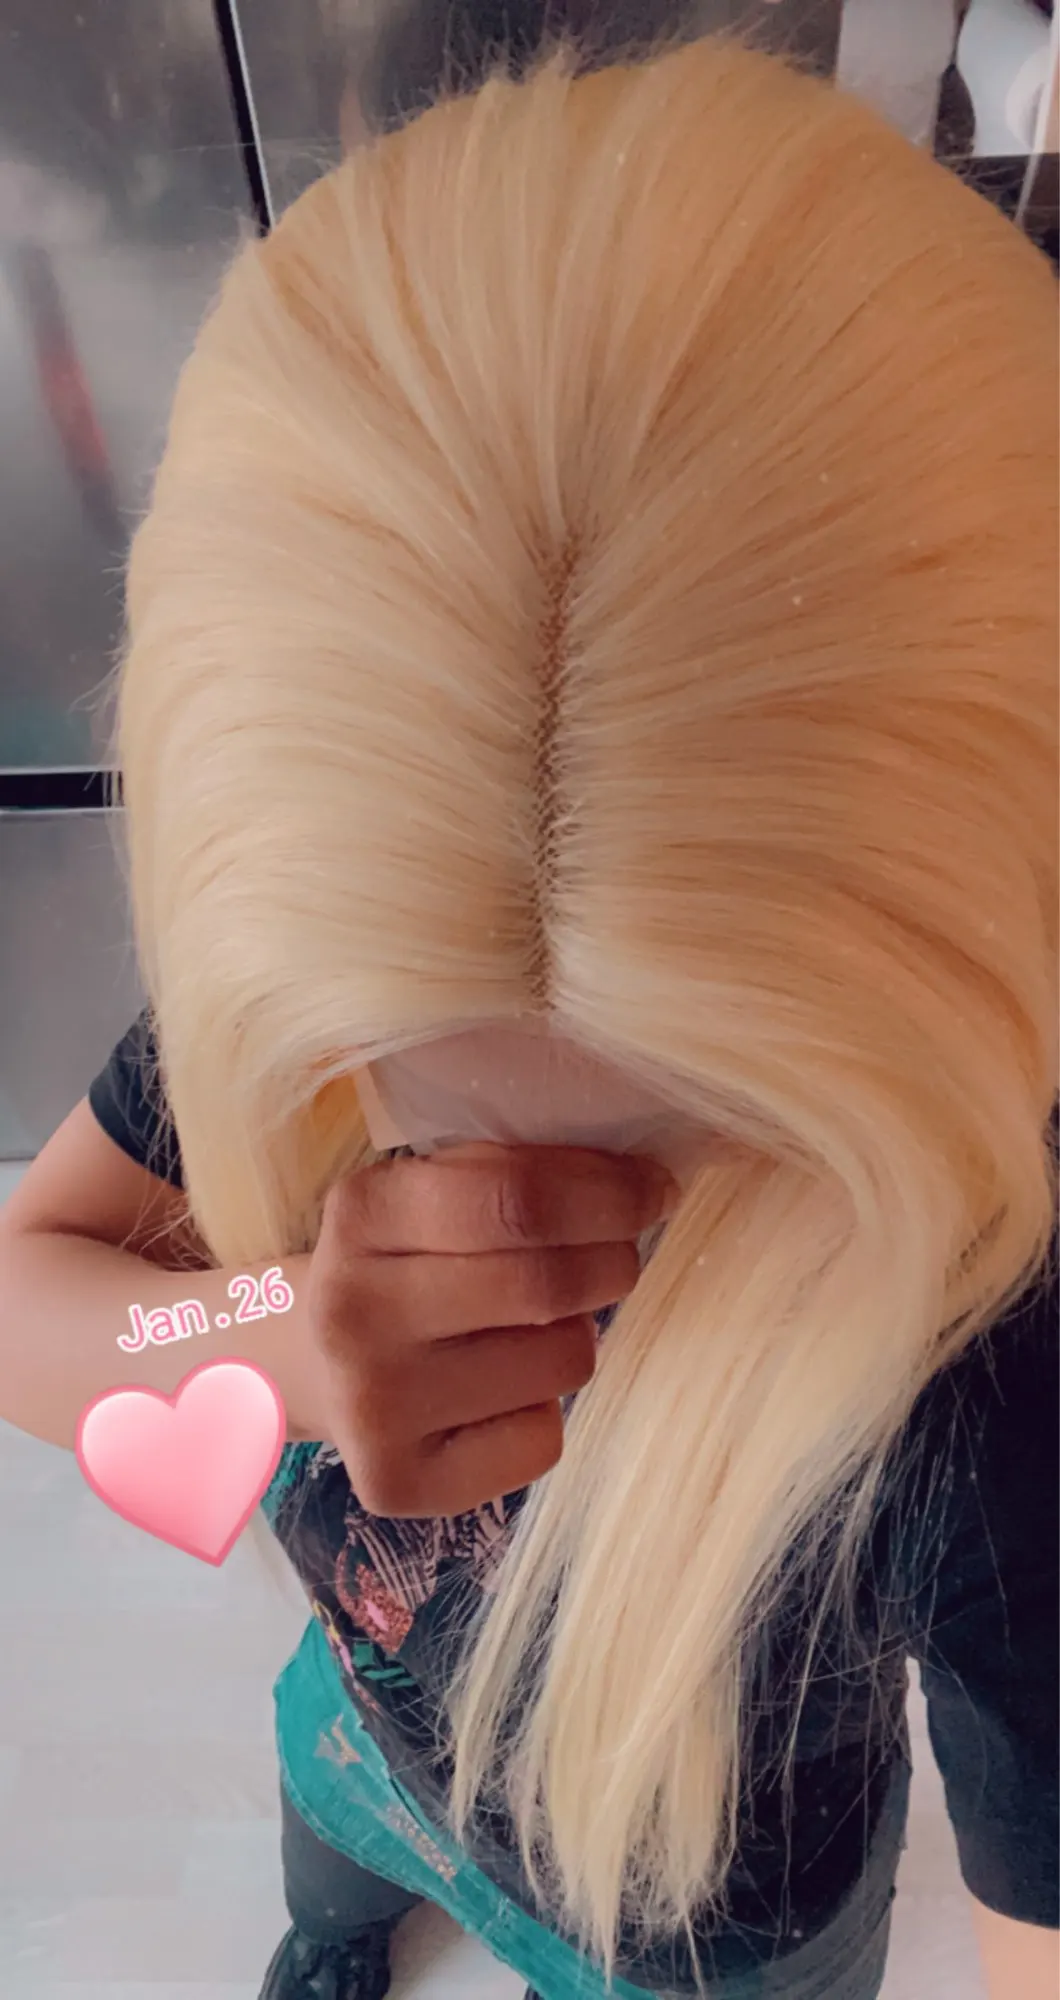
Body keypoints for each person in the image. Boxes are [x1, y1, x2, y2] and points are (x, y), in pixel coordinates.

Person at [1, 32, 1057, 2000]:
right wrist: (265, 1336)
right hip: (367, 1735)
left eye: (721, 1144)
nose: (553, 1206)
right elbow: (37, 1300)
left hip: (702, 1937)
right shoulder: (357, 935)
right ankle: (334, 1937)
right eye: (420, 1114)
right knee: (330, 1867)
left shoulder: (998, 1361)